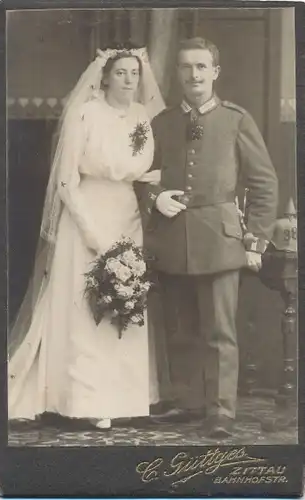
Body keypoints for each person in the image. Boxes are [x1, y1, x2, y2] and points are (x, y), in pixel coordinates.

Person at [8, 47, 165, 430]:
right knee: (84, 305)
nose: (130, 80)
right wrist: (92, 230)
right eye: (122, 73)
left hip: (126, 216)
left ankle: (124, 397)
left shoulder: (142, 116)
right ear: (105, 77)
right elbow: (66, 181)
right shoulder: (86, 113)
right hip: (85, 215)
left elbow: (143, 169)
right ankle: (82, 400)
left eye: (134, 73)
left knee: (125, 300)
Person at [138, 37, 278, 437]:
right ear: (177, 73)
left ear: (215, 72)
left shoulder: (236, 120)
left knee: (219, 331)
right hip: (172, 237)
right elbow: (141, 176)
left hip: (220, 239)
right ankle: (188, 403)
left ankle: (221, 411)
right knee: (180, 329)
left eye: (201, 67)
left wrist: (254, 239)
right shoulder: (162, 123)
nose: (194, 75)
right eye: (186, 67)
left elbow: (265, 183)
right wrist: (156, 196)